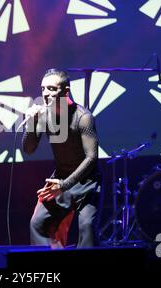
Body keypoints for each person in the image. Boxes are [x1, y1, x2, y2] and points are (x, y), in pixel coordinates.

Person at [22, 68, 101, 248]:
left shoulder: (83, 117)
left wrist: (64, 185)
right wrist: (32, 123)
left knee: (87, 227)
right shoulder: (45, 115)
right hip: (60, 179)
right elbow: (29, 149)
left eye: (51, 89)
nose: (45, 94)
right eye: (43, 89)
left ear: (66, 91)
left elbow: (91, 158)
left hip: (86, 182)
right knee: (37, 224)